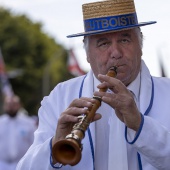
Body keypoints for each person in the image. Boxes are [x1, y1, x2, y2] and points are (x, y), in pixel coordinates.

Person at [16, 0, 170, 170]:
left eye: (125, 40)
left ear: (140, 45)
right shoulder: (60, 96)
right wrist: (55, 145)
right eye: (103, 43)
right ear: (88, 54)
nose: (116, 53)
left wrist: (140, 125)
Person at [0, 95, 37, 170]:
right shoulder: (1, 122)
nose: (11, 107)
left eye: (13, 104)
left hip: (22, 164)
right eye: (8, 104)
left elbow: (35, 143)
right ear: (4, 106)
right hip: (2, 164)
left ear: (19, 105)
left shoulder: (28, 123)